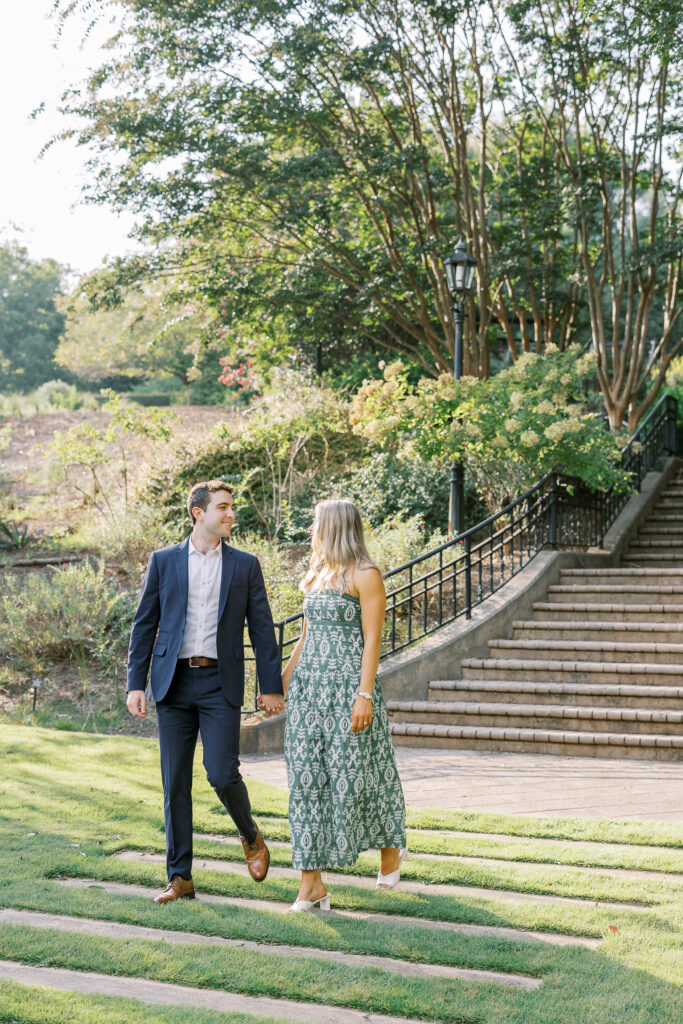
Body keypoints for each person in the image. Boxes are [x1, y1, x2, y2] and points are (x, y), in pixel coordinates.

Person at [126, 479, 284, 904]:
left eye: (232, 508)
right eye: (223, 507)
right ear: (199, 513)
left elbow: (263, 630)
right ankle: (180, 878)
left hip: (219, 682)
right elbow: (145, 625)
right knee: (174, 782)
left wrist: (271, 687)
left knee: (220, 773)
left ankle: (250, 834)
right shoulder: (163, 561)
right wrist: (135, 684)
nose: (231, 514)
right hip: (172, 683)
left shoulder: (245, 565)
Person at [283, 499, 407, 912]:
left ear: (334, 526)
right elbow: (305, 636)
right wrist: (282, 680)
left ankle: (391, 849)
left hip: (347, 691)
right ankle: (311, 885)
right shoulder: (317, 574)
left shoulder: (366, 575)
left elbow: (373, 639)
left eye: (316, 521)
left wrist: (364, 695)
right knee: (306, 783)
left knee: (359, 776)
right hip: (309, 693)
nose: (311, 527)